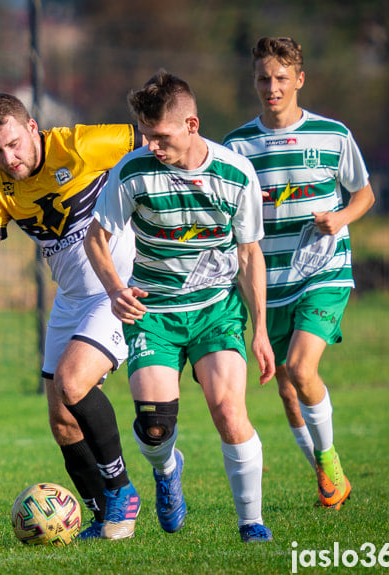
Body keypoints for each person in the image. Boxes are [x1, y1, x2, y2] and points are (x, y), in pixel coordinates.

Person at [0, 93, 142, 539]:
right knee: (62, 420)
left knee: (71, 382)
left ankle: (122, 489)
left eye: (13, 144)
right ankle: (101, 512)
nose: (8, 158)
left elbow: (160, 139)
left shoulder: (79, 145)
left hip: (116, 289)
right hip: (70, 300)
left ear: (32, 128)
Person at [84, 70, 276, 543]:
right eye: (146, 134)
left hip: (216, 310)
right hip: (155, 313)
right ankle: (167, 471)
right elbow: (97, 238)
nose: (150, 144)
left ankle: (251, 522)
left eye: (161, 135)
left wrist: (261, 331)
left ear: (192, 124)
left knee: (229, 411)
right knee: (154, 427)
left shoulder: (235, 174)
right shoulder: (132, 171)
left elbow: (250, 254)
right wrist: (114, 290)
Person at [223, 37, 375, 510]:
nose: (272, 87)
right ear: (254, 81)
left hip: (325, 270)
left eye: (282, 78)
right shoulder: (237, 145)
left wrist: (342, 218)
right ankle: (325, 477)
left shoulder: (332, 134)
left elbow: (364, 194)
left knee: (304, 368)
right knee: (288, 387)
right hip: (271, 283)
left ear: (299, 80)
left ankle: (330, 463)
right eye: (264, 78)